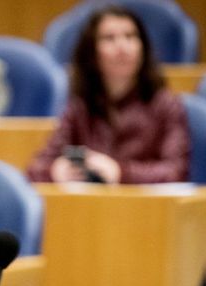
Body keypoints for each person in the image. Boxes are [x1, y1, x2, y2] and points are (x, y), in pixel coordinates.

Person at [27, 5, 190, 184]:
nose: (122, 47)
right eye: (109, 38)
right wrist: (55, 171)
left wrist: (120, 172)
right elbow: (35, 169)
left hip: (144, 209)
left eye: (130, 36)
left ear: (143, 47)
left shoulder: (165, 105)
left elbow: (177, 171)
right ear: (92, 52)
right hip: (92, 208)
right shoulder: (80, 106)